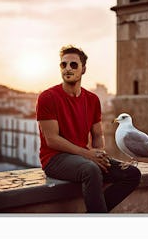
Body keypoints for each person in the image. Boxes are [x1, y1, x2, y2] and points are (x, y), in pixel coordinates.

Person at [36, 45, 141, 213]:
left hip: (83, 157)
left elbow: (98, 134)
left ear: (83, 69)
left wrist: (99, 154)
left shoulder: (92, 100)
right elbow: (52, 140)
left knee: (132, 174)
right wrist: (87, 154)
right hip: (55, 159)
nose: (68, 68)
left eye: (73, 65)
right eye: (63, 65)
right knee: (90, 169)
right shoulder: (47, 97)